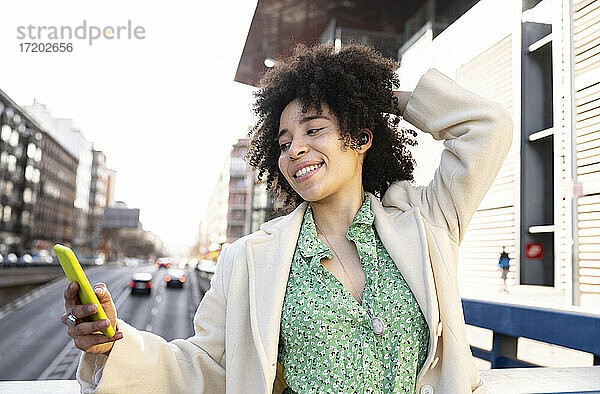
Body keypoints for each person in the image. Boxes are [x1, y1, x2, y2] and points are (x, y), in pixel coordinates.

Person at [61, 43, 512, 393]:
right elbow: (207, 367)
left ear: (360, 137)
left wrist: (378, 98)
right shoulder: (248, 259)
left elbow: (488, 126)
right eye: (282, 141)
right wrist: (112, 343)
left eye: (314, 129)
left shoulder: (426, 221)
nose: (295, 149)